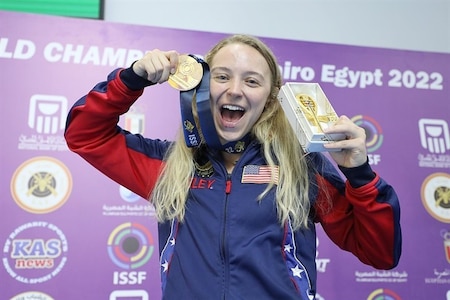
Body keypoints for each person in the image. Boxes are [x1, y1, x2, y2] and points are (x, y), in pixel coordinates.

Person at [64, 34, 401, 300]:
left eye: (252, 81)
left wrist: (359, 174)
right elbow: (84, 134)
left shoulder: (301, 167)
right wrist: (131, 79)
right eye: (222, 76)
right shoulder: (170, 165)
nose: (235, 90)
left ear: (270, 100)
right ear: (200, 86)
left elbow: (379, 253)